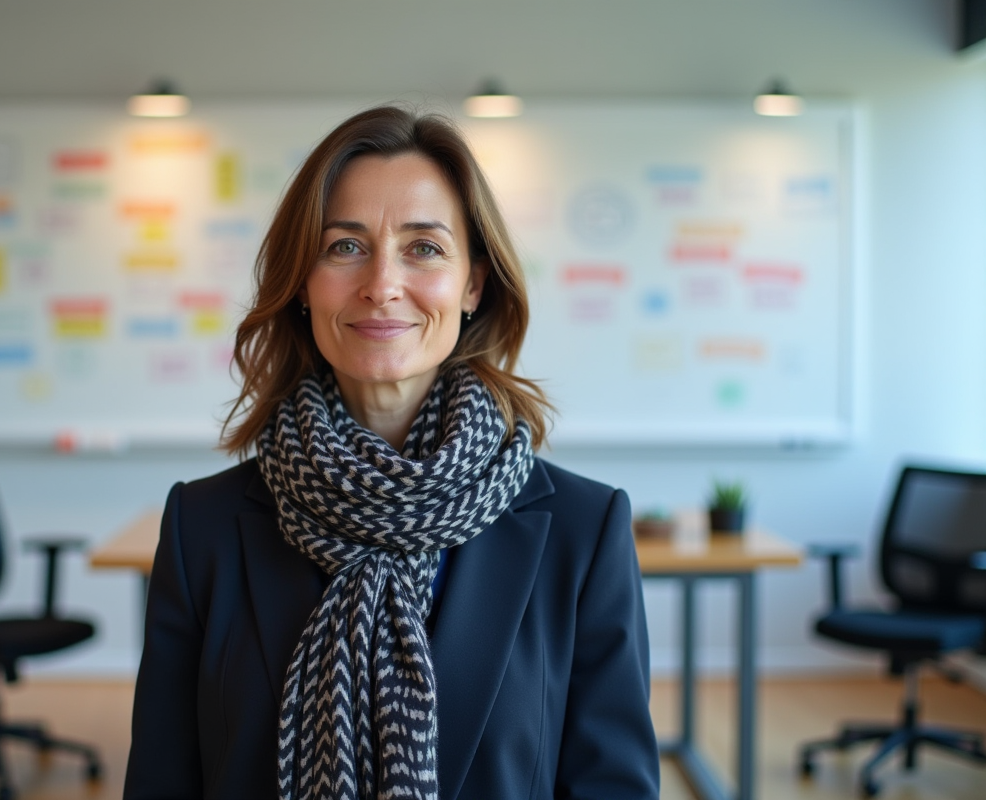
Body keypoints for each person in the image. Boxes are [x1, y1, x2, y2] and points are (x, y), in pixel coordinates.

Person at [124, 105, 659, 800]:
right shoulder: (202, 527)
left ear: (473, 284)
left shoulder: (585, 532)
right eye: (345, 247)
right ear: (303, 284)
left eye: (424, 247)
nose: (381, 283)